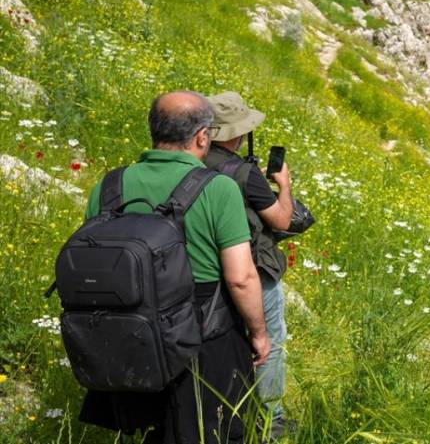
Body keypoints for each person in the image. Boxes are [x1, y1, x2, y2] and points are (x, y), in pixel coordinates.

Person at [78, 91, 269, 443]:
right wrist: (259, 333)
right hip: (202, 336)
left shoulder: (108, 186)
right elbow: (241, 278)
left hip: (127, 335)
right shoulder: (219, 189)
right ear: (202, 137)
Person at [204, 91, 293, 439]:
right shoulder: (243, 174)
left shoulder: (191, 162)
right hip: (252, 272)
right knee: (269, 341)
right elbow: (282, 220)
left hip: (205, 272)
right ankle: (271, 420)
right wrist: (283, 185)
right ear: (236, 133)